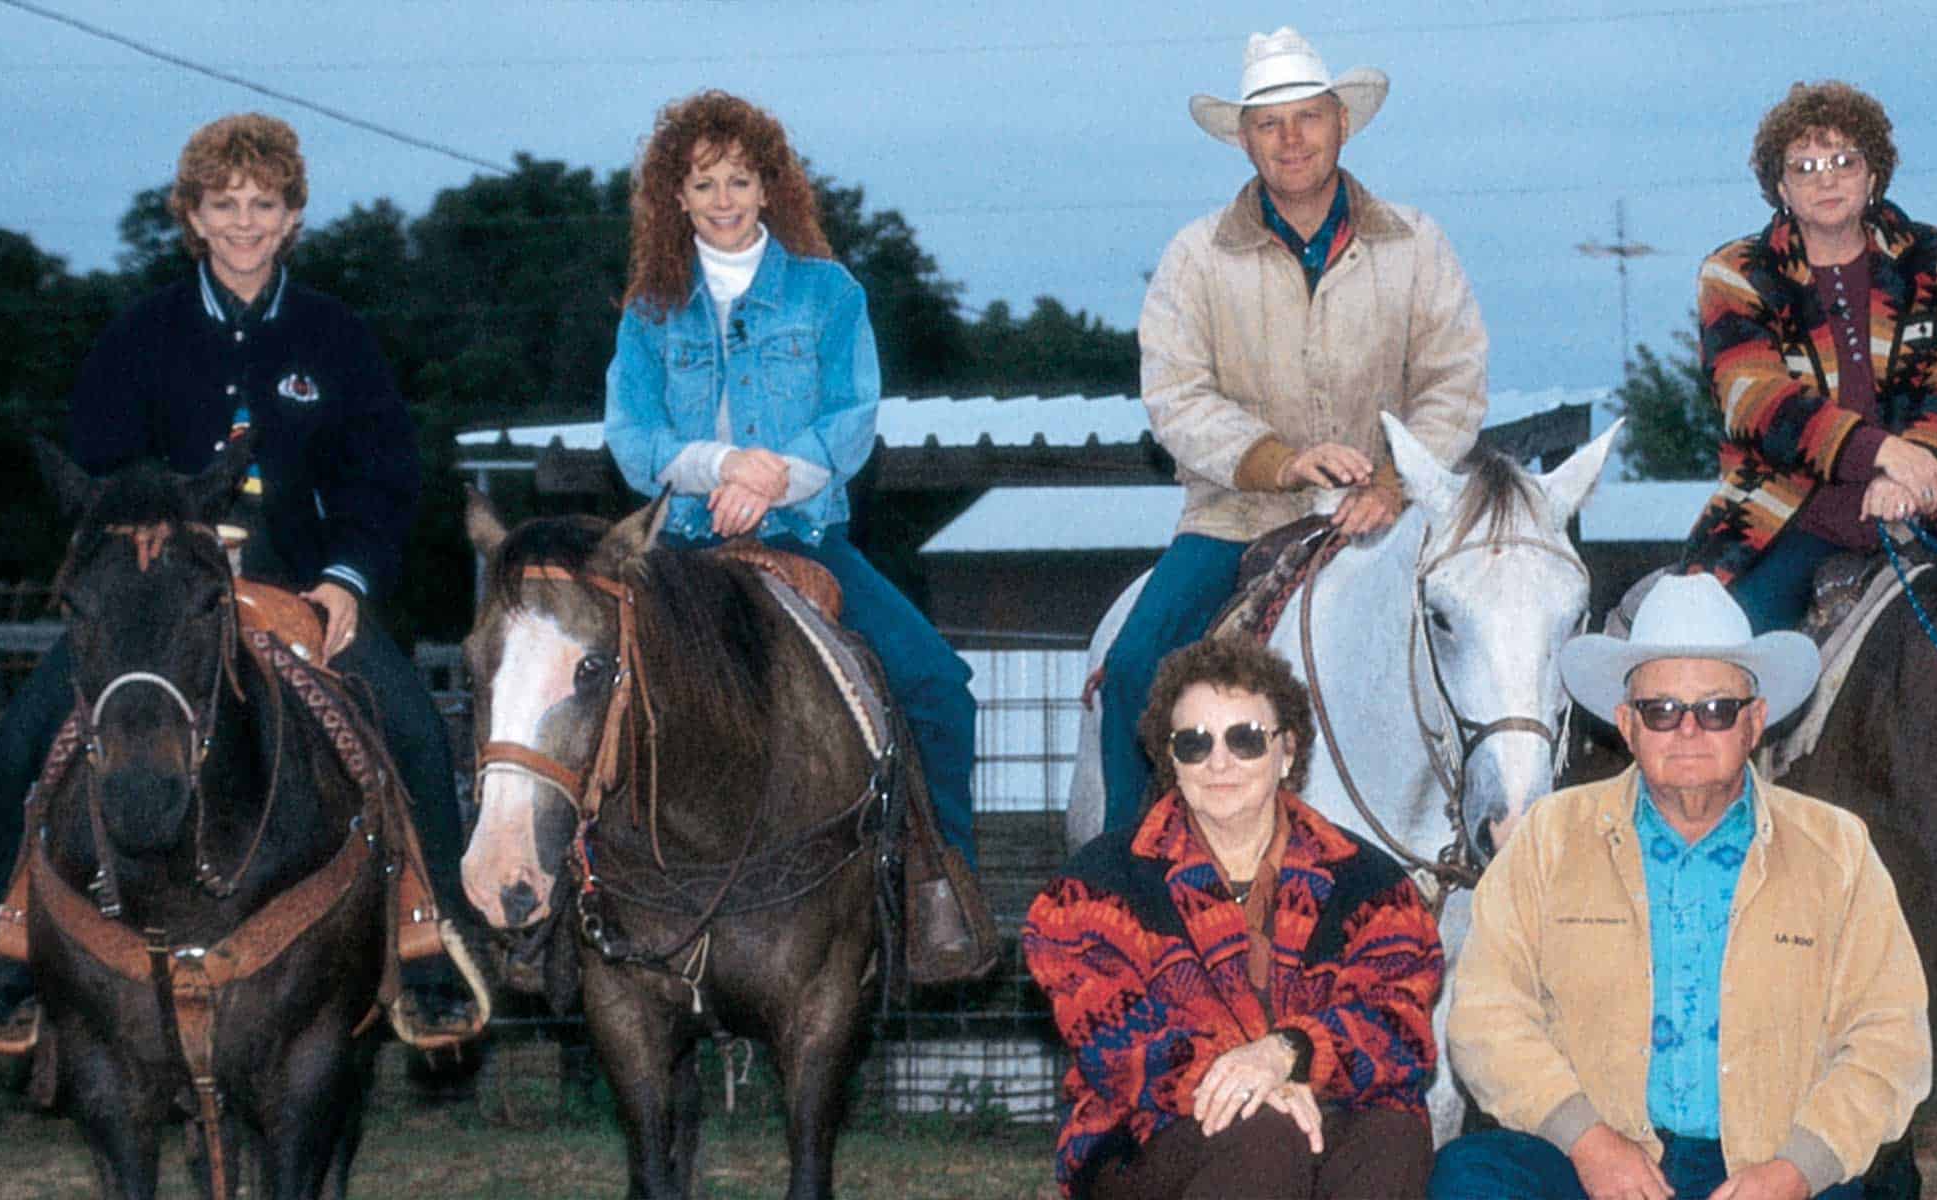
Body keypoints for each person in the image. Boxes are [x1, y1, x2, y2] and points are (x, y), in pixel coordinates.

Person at [0, 113, 466, 1028]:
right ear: (191, 215)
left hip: (303, 590)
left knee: (419, 734)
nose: (243, 224)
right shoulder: (138, 335)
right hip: (159, 599)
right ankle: (4, 953)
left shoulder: (336, 336)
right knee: (25, 737)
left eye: (263, 205)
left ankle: (435, 949)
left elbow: (383, 477)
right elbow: (103, 471)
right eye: (224, 205)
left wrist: (348, 579)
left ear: (293, 216)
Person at [1099, 25, 1490, 836]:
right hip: (1234, 519)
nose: (1291, 138)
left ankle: (1497, 845)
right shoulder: (1195, 257)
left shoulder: (1416, 245)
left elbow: (1453, 380)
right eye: (1269, 123)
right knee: (1135, 670)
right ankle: (1126, 872)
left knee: (1498, 650)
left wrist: (1393, 482)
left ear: (1342, 123)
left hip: (1391, 515)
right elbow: (1175, 393)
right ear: (1244, 140)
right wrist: (1277, 461)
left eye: (1308, 116)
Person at [1430, 574, 1931, 1200]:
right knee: (1469, 1177)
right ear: (1627, 724)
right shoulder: (1547, 840)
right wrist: (1589, 1142)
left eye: (1716, 710)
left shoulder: (1838, 850)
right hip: (1592, 1157)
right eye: (1661, 710)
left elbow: (1890, 1037)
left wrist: (1796, 1170)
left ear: (1754, 722)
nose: (1688, 730)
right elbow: (1485, 1015)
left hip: (1769, 1165)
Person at [602, 91, 978, 865]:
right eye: (704, 183)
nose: (723, 200)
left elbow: (850, 419)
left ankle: (946, 886)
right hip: (682, 545)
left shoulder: (829, 293)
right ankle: (582, 895)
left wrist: (767, 483)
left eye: (739, 180)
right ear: (677, 197)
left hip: (805, 535)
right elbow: (631, 437)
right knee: (585, 702)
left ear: (768, 188)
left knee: (937, 687)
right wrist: (721, 466)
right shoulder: (649, 311)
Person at [1026, 636, 1444, 1199]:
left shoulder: (1372, 884)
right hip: (1148, 1136)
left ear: (1287, 751)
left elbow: (1398, 1027)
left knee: (1394, 1138)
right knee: (1264, 1135)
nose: (1219, 762)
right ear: (1171, 759)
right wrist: (1251, 1081)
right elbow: (1117, 1044)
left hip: (1318, 1108)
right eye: (1194, 743)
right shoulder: (1094, 888)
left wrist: (1286, 1055)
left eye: (1245, 739)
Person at [1682, 81, 1937, 635]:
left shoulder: (1927, 256)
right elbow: (1758, 402)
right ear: (1781, 188)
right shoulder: (1737, 273)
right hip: (1778, 520)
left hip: (1925, 509)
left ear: (1874, 175)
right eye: (1805, 167)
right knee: (1718, 652)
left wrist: (1912, 472)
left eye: (1844, 161)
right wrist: (1884, 453)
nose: (1826, 179)